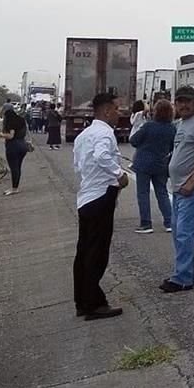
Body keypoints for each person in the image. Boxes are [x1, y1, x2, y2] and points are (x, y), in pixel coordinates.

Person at [71, 92, 128, 321]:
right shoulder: (104, 133)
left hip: (86, 196)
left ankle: (82, 300)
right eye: (116, 109)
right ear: (106, 111)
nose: (119, 113)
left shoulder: (84, 135)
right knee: (97, 253)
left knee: (84, 251)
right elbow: (102, 155)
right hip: (101, 196)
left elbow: (77, 165)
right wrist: (119, 174)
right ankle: (94, 303)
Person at [160, 86, 194, 293]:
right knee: (178, 234)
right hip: (178, 188)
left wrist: (192, 181)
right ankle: (189, 272)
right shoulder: (180, 124)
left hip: (192, 188)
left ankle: (182, 278)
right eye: (179, 101)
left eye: (187, 101)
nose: (183, 105)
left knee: (184, 234)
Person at [129, 99, 176, 234]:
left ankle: (146, 223)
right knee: (162, 193)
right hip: (161, 164)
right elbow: (174, 147)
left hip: (143, 164)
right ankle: (169, 222)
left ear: (156, 112)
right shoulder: (172, 128)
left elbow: (133, 140)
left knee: (143, 193)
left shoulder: (149, 126)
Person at [0, 108, 28, 196]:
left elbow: (11, 136)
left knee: (14, 168)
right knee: (18, 168)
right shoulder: (22, 120)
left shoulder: (11, 122)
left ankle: (14, 189)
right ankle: (15, 187)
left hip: (13, 146)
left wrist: (1, 135)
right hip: (23, 145)